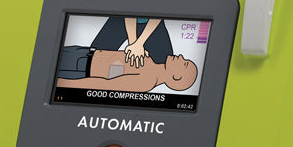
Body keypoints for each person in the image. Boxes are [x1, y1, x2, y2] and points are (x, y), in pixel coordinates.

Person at [56, 46, 197, 93]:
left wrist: (61, 84)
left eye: (184, 64)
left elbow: (105, 85)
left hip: (77, 67)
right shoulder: (149, 61)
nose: (181, 57)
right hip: (81, 55)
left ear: (176, 78)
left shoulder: (146, 81)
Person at [90, 17, 173, 67]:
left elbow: (158, 10)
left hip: (153, 22)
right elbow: (128, 6)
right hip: (122, 18)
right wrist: (133, 44)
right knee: (94, 55)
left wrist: (139, 43)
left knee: (165, 62)